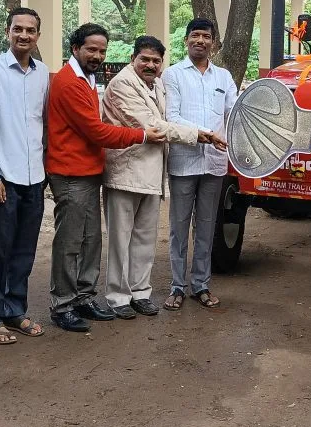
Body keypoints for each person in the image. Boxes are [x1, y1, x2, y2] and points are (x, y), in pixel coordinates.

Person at [44, 24, 164, 332]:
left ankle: (83, 296)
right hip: (70, 172)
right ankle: (63, 304)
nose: (97, 55)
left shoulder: (87, 78)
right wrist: (140, 135)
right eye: (91, 49)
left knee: (90, 240)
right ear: (75, 49)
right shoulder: (69, 82)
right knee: (71, 242)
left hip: (89, 171)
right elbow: (95, 131)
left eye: (102, 51)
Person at [102, 35, 217, 319]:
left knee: (144, 238)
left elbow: (169, 119)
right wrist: (198, 134)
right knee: (120, 240)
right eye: (145, 59)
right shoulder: (122, 84)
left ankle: (140, 293)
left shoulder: (157, 86)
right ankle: (118, 298)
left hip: (152, 175)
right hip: (125, 174)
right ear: (133, 59)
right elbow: (152, 126)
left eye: (156, 60)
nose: (150, 65)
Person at [0, 7, 50, 345]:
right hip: (4, 177)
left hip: (35, 177)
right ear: (8, 32)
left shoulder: (43, 73)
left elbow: (42, 124)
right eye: (18, 29)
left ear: (38, 35)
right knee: (0, 249)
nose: (24, 35)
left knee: (25, 249)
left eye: (30, 30)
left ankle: (15, 309)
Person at [162, 19, 236, 311]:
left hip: (214, 164)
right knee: (178, 228)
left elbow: (236, 110)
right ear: (186, 40)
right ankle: (177, 287)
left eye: (206, 36)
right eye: (195, 35)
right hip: (183, 161)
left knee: (206, 227)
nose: (201, 40)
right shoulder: (173, 75)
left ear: (213, 43)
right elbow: (173, 117)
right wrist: (205, 136)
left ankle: (201, 285)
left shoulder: (224, 77)